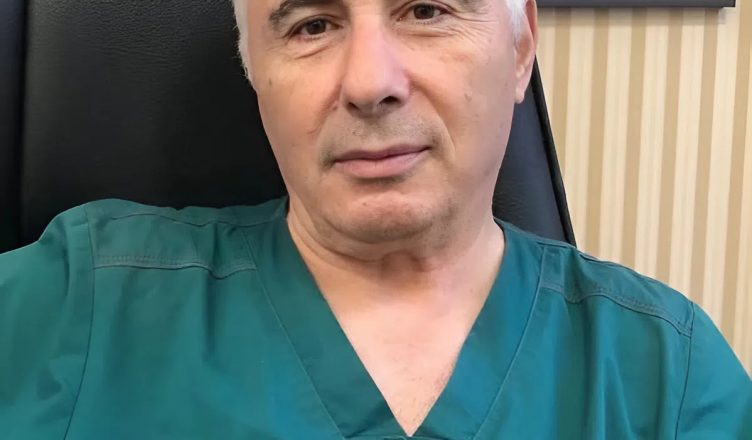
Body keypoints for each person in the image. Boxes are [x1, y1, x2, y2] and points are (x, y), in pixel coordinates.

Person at [1, 0, 749, 437]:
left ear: (520, 47)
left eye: (426, 10)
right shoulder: (76, 302)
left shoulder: (665, 376)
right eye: (311, 25)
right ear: (253, 70)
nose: (369, 82)